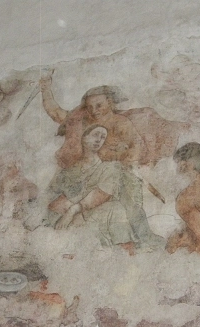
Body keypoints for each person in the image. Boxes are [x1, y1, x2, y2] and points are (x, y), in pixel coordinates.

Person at [40, 77, 164, 249]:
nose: (94, 110)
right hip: (89, 171)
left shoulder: (120, 122)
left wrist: (127, 160)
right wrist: (45, 89)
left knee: (131, 204)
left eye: (99, 105)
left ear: (110, 103)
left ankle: (143, 237)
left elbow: (136, 145)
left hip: (118, 172)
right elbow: (56, 113)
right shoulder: (83, 120)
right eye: (90, 107)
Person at [47, 125, 135, 249]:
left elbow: (101, 195)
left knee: (116, 209)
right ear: (84, 137)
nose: (99, 140)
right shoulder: (69, 169)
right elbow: (52, 196)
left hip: (90, 214)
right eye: (95, 135)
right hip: (62, 214)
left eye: (103, 137)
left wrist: (73, 210)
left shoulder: (107, 168)